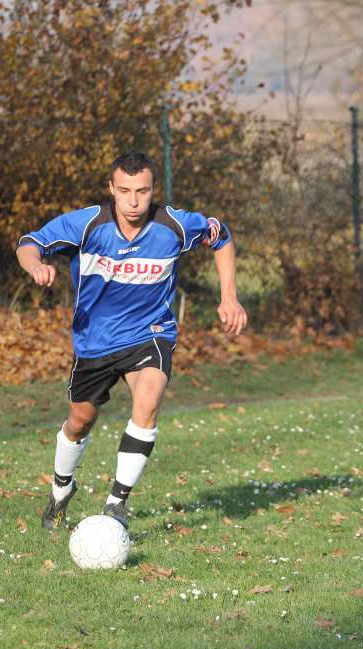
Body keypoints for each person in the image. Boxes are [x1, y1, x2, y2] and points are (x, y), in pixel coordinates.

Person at [15, 150, 247, 531]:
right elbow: (29, 242)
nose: (134, 201)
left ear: (154, 189)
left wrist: (229, 296)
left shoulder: (174, 225)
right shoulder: (87, 224)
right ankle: (60, 488)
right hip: (95, 342)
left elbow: (221, 237)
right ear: (111, 188)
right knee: (79, 421)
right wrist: (35, 265)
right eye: (124, 191)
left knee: (149, 400)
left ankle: (116, 505)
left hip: (150, 333)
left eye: (142, 191)